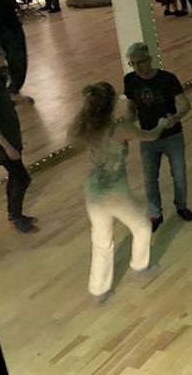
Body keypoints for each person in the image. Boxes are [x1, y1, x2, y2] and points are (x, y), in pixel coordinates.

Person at [69, 81, 176, 301]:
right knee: (142, 226)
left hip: (93, 190)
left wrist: (130, 115)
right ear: (110, 104)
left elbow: (123, 129)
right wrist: (163, 123)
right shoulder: (118, 130)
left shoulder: (90, 127)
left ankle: (98, 290)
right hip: (114, 191)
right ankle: (140, 265)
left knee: (101, 240)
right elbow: (150, 135)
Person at [122, 43, 192, 231]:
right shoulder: (130, 80)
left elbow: (185, 104)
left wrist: (176, 117)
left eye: (140, 62)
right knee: (149, 178)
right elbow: (131, 108)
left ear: (150, 59)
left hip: (172, 136)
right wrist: (126, 126)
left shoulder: (167, 79)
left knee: (179, 174)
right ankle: (155, 214)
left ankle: (181, 205)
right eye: (132, 63)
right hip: (147, 137)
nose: (137, 67)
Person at [0, 41, 37, 234]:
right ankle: (15, 216)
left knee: (16, 176)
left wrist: (21, 100)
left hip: (10, 135)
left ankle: (14, 214)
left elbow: (3, 100)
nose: (5, 56)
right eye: (1, 54)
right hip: (1, 143)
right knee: (21, 178)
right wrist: (8, 148)